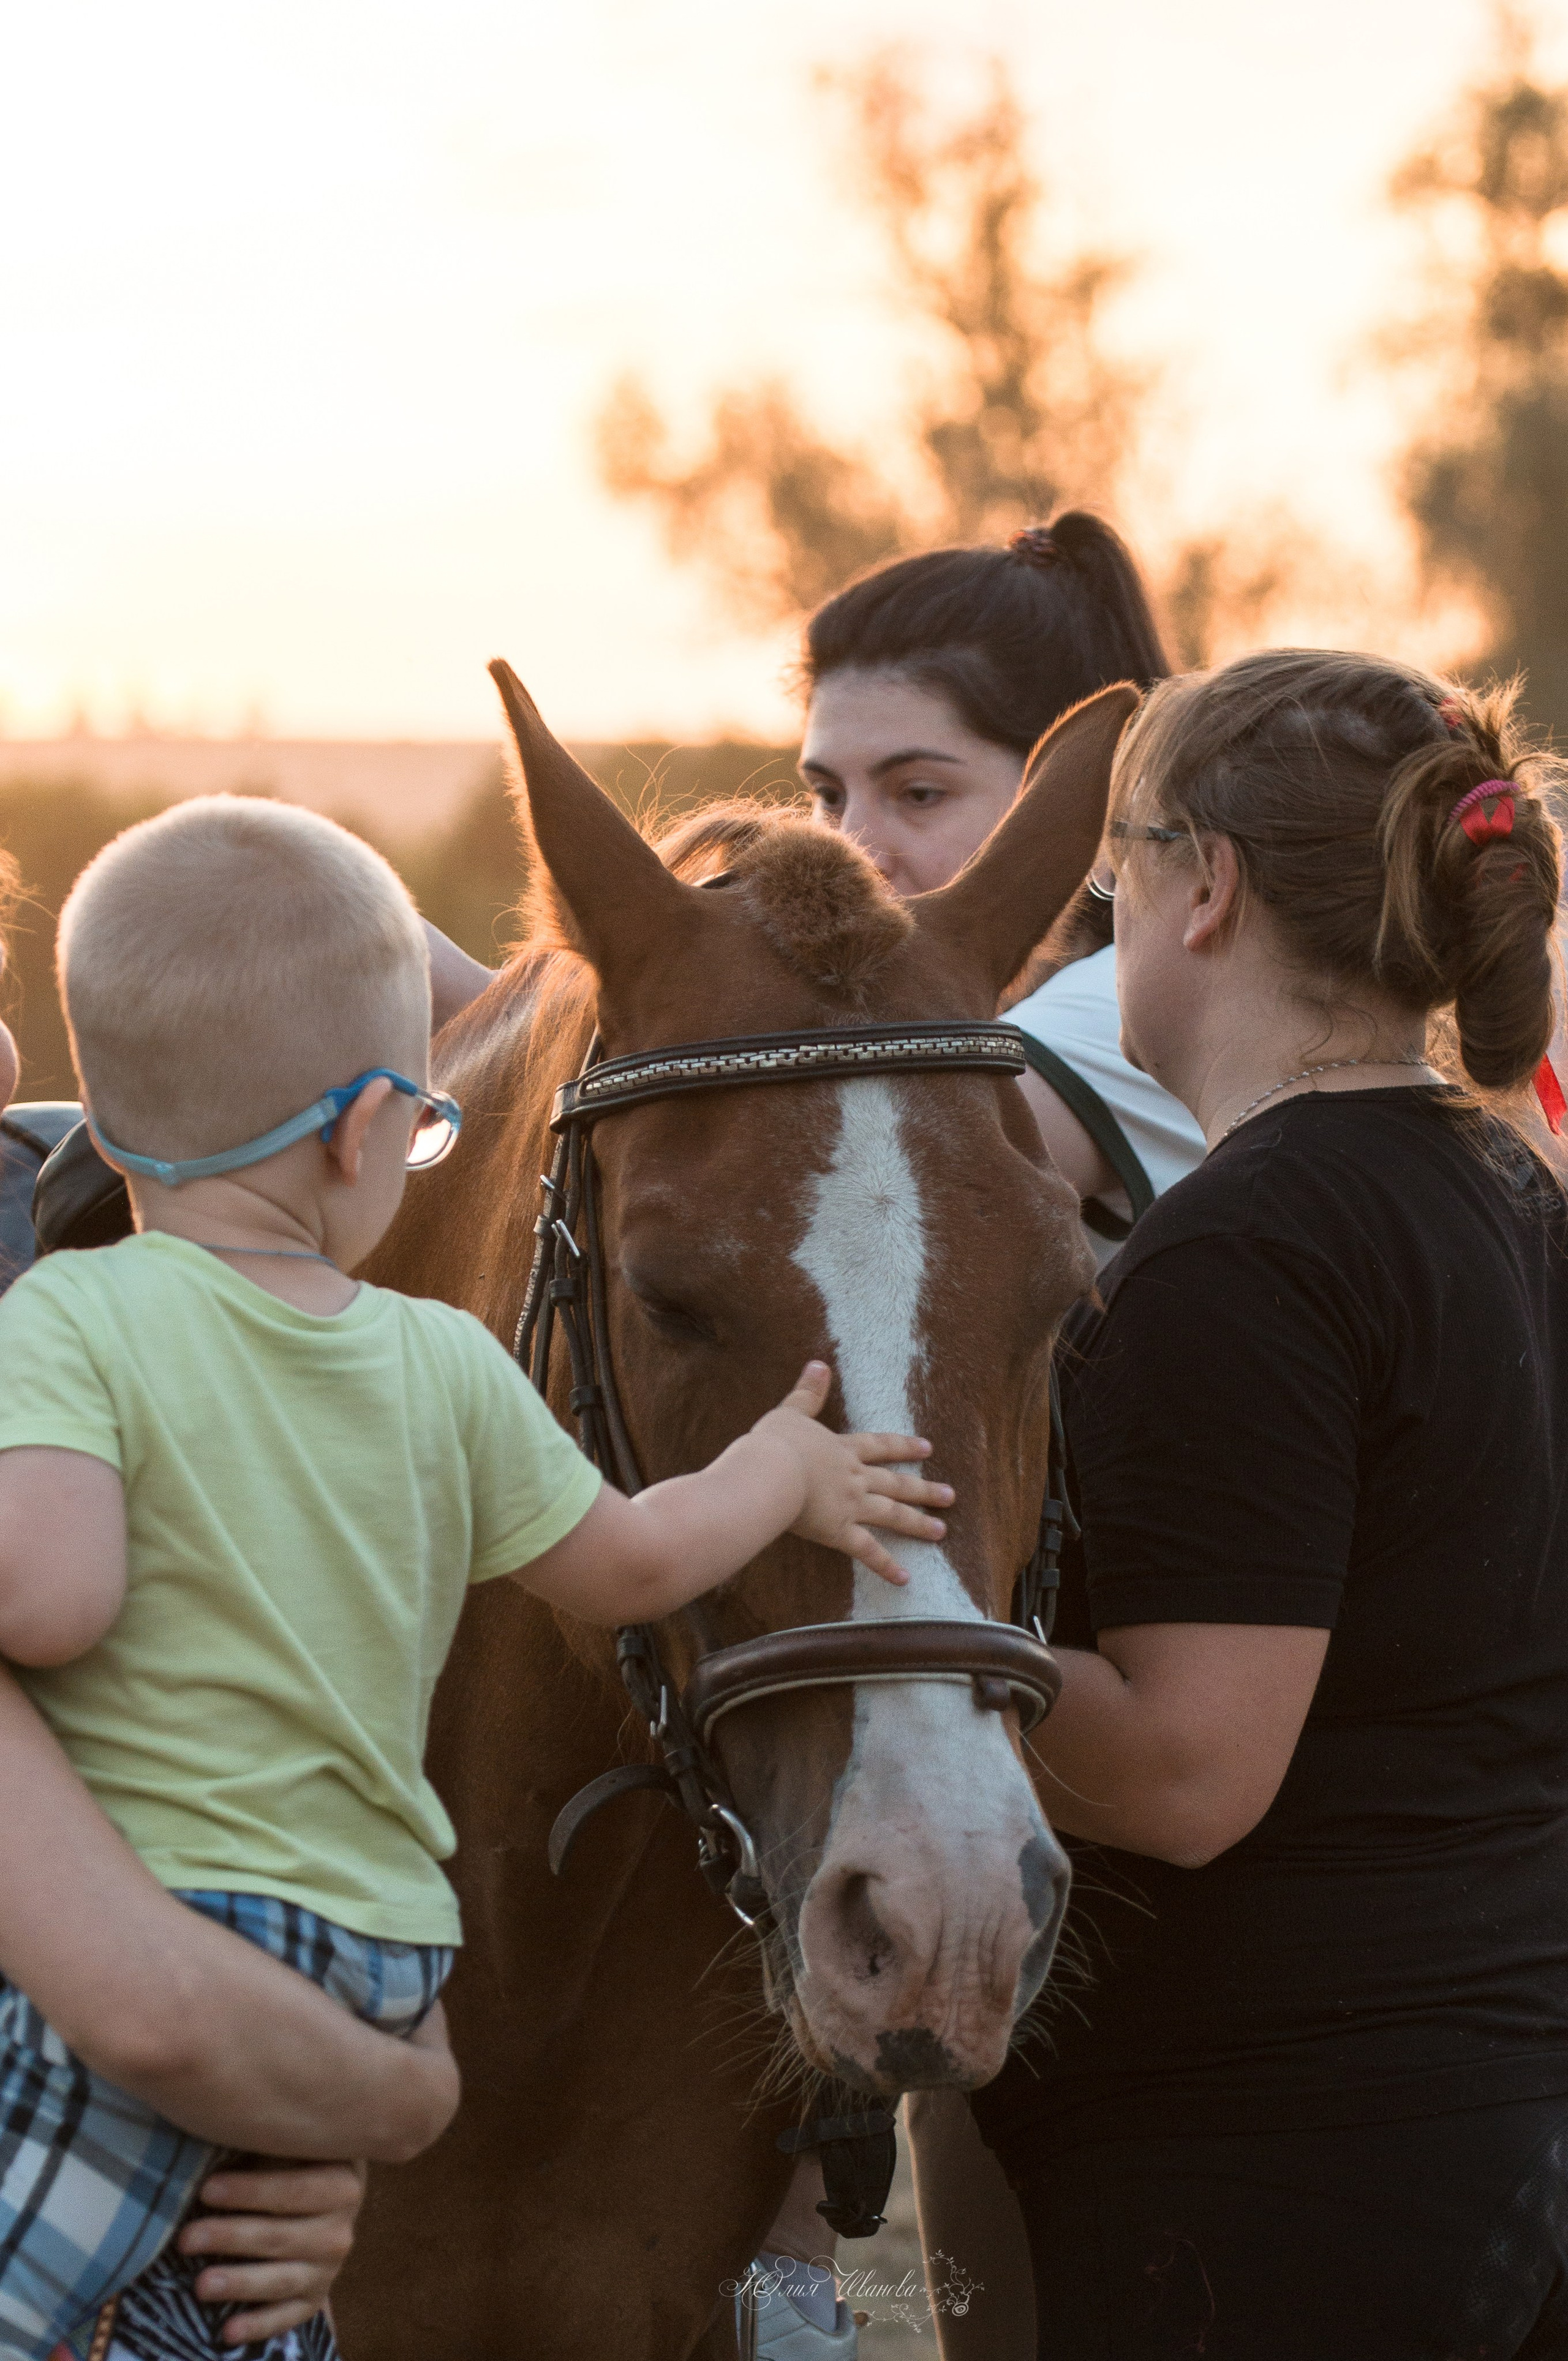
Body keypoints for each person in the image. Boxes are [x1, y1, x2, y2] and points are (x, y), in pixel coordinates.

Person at [0, 795, 949, 2361]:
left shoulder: (70, 1321)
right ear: (377, 1133)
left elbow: (47, 1603)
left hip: (164, 1933)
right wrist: (785, 1469)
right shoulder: (446, 1356)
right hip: (376, 1963)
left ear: (104, 1140)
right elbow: (637, 1558)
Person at [926, 649, 1568, 2359]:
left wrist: (881, 1618)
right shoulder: (1501, 1186)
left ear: (1204, 884)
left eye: (1111, 873)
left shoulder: (1248, 1247)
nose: (1094, 926)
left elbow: (1195, 1767)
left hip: (1278, 2181)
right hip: (1476, 2120)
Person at [799, 515, 1206, 1266]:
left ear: (1079, 793)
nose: (853, 852)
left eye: (918, 793)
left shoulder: (1112, 1020)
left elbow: (813, 1194)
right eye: (827, 795)